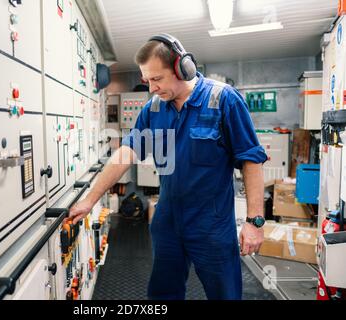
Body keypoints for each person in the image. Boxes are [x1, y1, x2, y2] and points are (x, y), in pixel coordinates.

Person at [70, 33, 268, 300]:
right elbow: (125, 154)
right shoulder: (153, 109)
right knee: (163, 294)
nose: (151, 88)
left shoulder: (224, 100)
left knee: (225, 294)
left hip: (211, 223)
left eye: (157, 79)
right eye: (147, 80)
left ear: (182, 68)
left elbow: (251, 160)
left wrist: (255, 222)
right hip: (168, 220)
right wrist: (90, 200)